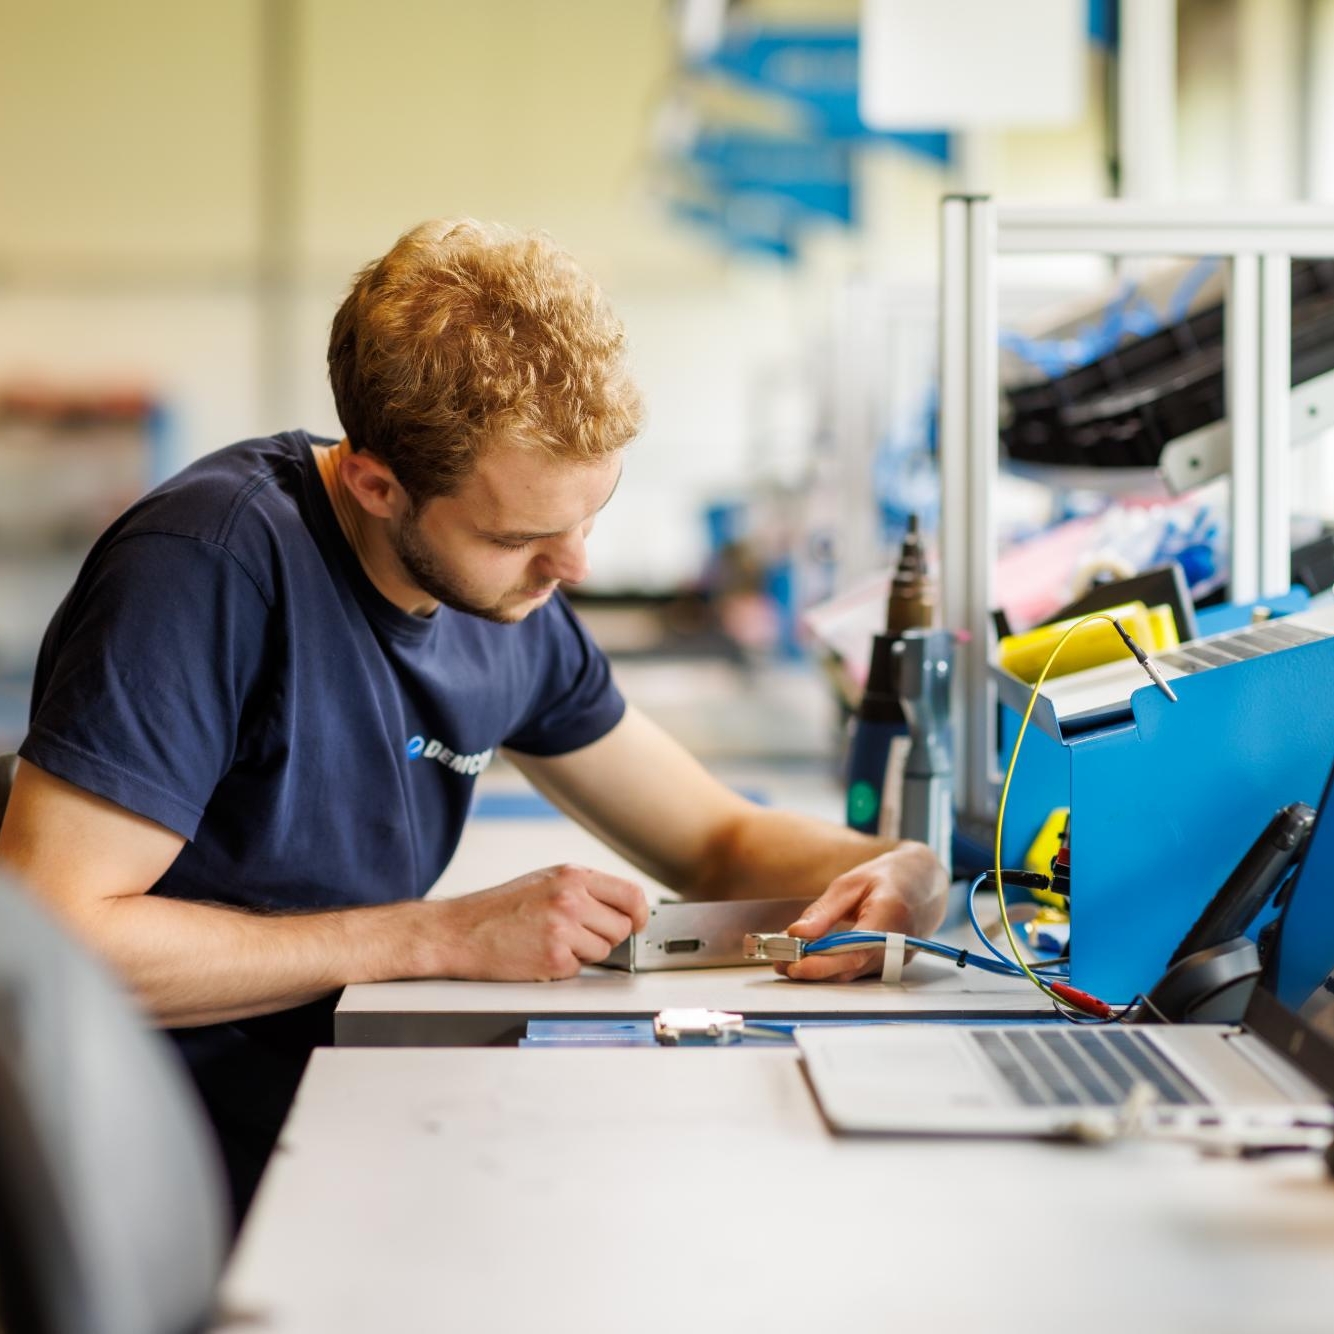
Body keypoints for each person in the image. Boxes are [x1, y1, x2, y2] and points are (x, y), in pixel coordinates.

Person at [0, 219, 947, 1222]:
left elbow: (716, 842)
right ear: (375, 483)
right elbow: (55, 941)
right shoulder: (207, 568)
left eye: (588, 515)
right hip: (159, 1180)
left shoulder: (511, 605)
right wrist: (434, 935)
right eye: (519, 534)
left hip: (340, 1120)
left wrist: (901, 869)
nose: (572, 566)